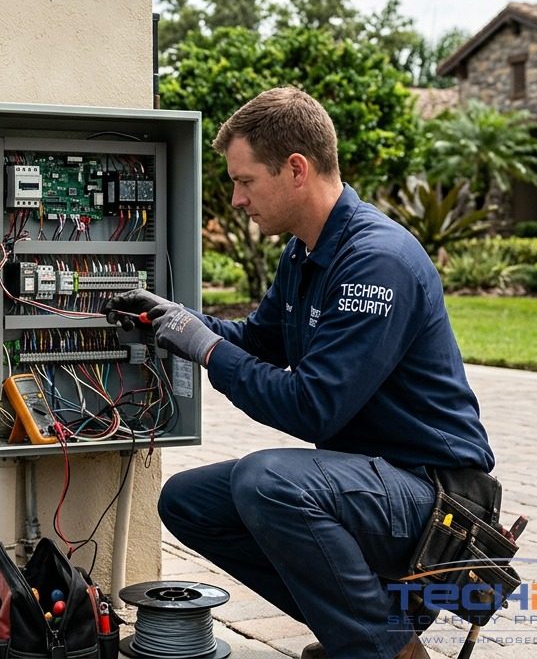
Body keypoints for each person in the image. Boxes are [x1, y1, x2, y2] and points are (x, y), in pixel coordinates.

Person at [105, 87, 494, 659]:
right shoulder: (306, 252)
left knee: (269, 481)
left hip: (435, 496)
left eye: (244, 181)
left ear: (295, 170)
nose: (236, 199)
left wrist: (207, 349)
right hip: (371, 480)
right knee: (188, 501)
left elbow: (312, 405)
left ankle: (383, 649)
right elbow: (260, 341)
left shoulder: (376, 261)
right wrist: (181, 323)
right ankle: (362, 627)